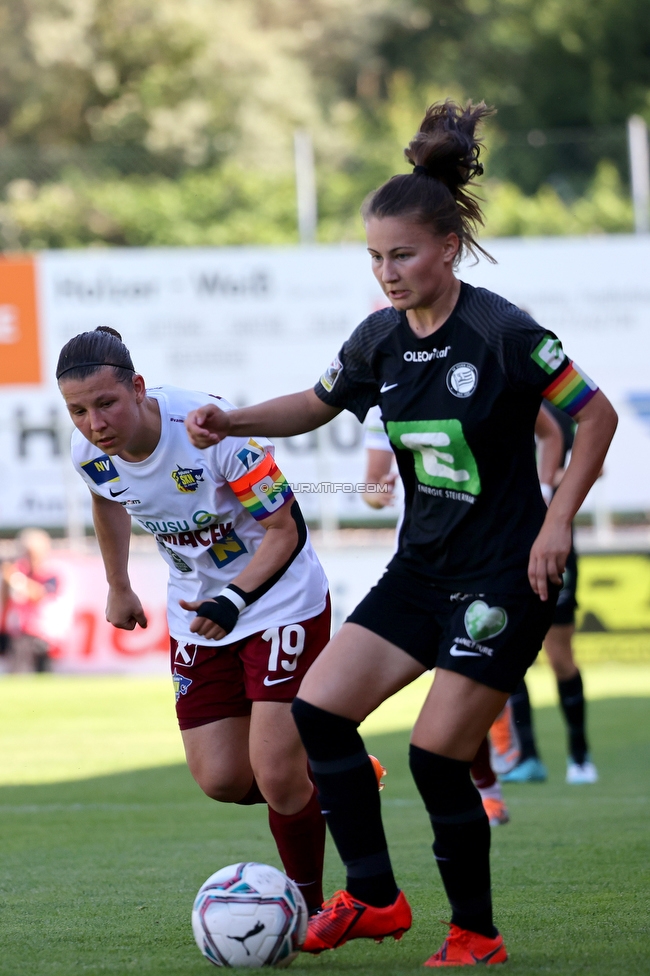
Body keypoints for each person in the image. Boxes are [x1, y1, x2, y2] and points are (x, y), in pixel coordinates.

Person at [184, 100, 617, 967]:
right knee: (317, 714)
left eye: (403, 255)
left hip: (505, 578)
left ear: (447, 248)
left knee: (432, 757)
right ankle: (376, 897)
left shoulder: (503, 333)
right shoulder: (380, 339)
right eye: (375, 257)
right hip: (420, 571)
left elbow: (594, 414)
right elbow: (315, 404)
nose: (387, 272)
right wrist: (232, 419)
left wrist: (557, 520)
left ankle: (476, 934)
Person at [56, 326, 332, 914]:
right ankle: (324, 783)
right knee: (223, 780)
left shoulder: (212, 433)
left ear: (137, 387)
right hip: (198, 613)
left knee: (277, 774)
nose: (94, 423)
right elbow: (108, 501)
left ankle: (308, 910)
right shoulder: (90, 453)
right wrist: (119, 585)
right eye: (78, 410)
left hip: (278, 600)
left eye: (106, 404)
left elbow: (288, 530)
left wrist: (234, 598)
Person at [363, 404, 511, 828]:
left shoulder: (479, 377)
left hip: (485, 560)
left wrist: (545, 487)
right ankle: (351, 771)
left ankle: (486, 786)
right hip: (414, 568)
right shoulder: (383, 404)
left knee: (457, 681)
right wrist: (378, 494)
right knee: (332, 697)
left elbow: (551, 429)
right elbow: (371, 488)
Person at [499, 403, 599, 785]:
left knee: (559, 657)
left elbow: (592, 464)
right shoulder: (486, 395)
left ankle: (579, 754)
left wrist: (544, 482)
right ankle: (526, 756)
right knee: (504, 650)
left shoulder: (556, 411)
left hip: (552, 543)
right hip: (503, 547)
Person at [1, 528, 60, 672]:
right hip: (20, 634)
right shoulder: (19, 572)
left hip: (44, 634)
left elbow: (38, 595)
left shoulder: (51, 575)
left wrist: (15, 578)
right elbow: (6, 600)